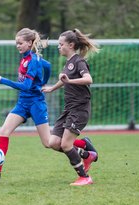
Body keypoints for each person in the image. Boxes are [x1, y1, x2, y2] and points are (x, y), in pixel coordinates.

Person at [0, 28, 51, 182]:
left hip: (36, 103)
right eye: (16, 43)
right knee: (4, 131)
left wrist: (2, 80)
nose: (17, 46)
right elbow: (48, 66)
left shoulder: (33, 60)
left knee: (48, 142)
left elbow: (26, 86)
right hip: (23, 103)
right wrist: (43, 82)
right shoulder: (26, 57)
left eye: (20, 43)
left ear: (30, 43)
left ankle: (82, 145)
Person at [42, 29, 99, 186]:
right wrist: (51, 88)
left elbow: (88, 79)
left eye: (61, 44)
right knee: (53, 142)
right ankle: (87, 154)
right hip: (69, 109)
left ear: (71, 45)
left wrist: (70, 81)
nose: (59, 47)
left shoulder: (79, 61)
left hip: (80, 108)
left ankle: (85, 178)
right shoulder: (68, 63)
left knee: (66, 144)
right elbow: (64, 79)